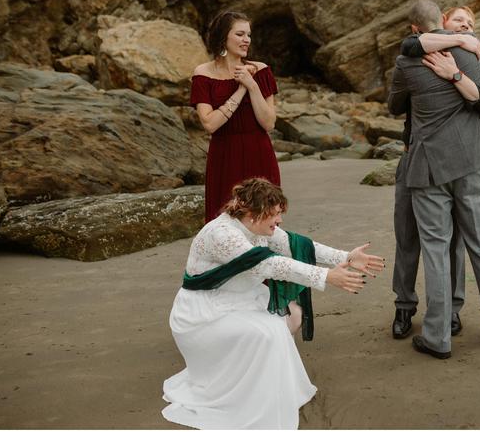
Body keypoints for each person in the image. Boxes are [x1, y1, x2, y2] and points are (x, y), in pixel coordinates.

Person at [162, 178, 385, 429]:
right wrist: (325, 276)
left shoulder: (259, 227)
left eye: (280, 213)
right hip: (204, 313)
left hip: (241, 299)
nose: (279, 221)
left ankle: (263, 383)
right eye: (275, 214)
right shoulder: (222, 234)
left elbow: (299, 245)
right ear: (253, 212)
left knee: (292, 316)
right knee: (268, 333)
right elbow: (268, 264)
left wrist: (345, 257)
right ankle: (242, 393)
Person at [388, 0, 480, 359]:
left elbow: (394, 105)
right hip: (471, 163)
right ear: (443, 21)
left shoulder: (407, 62)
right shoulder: (473, 54)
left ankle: (437, 337)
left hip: (429, 168)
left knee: (435, 250)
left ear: (416, 27)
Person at [191, 9, 281, 223]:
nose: (246, 40)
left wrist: (252, 86)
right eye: (240, 34)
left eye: (248, 35)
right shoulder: (203, 74)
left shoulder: (260, 70)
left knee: (264, 220)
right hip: (224, 155)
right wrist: (240, 90)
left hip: (259, 151)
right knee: (225, 222)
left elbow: (268, 123)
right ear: (224, 37)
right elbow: (210, 124)